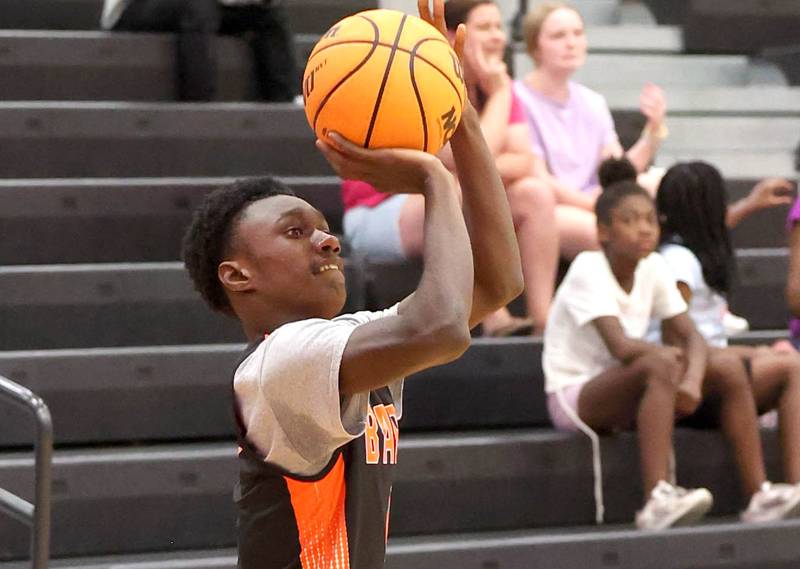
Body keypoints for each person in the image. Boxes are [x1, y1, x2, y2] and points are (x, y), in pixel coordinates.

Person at [181, 2, 523, 566]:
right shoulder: (280, 364)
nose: (328, 240)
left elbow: (500, 281)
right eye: (295, 232)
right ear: (238, 275)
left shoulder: (352, 342)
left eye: (325, 228)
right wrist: (434, 177)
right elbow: (443, 328)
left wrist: (457, 114)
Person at [542, 178, 800, 530]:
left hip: (628, 385)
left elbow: (690, 335)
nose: (644, 229)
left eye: (650, 219)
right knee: (662, 360)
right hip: (575, 395)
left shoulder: (653, 267)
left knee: (725, 367)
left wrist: (693, 380)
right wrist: (678, 364)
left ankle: (759, 495)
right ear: (603, 231)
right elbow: (621, 347)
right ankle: (656, 500)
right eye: (630, 220)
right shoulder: (588, 268)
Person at [343, 0, 557, 335]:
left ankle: (545, 322)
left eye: (499, 27)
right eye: (485, 28)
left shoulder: (498, 85)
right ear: (454, 35)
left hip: (437, 200)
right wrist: (499, 95)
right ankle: (494, 316)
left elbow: (523, 160)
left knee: (535, 194)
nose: (498, 37)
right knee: (454, 188)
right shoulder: (425, 78)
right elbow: (461, 159)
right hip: (380, 210)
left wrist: (497, 105)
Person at [652, 161, 800, 488]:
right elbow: (675, 339)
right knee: (791, 368)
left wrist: (749, 205)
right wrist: (743, 356)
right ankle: (790, 482)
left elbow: (713, 230)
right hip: (698, 380)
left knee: (777, 358)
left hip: (713, 367)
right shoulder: (678, 263)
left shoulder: (689, 250)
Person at [513, 1, 669, 255]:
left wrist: (654, 129)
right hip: (552, 208)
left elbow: (617, 170)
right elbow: (540, 178)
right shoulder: (518, 98)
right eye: (558, 36)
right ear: (535, 47)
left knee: (658, 183)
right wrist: (595, 205)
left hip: (595, 201)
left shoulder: (592, 101)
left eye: (577, 33)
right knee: (616, 234)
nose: (571, 42)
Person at [101, 0, 299, 102]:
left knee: (268, 14)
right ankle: (200, 105)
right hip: (133, 7)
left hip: (206, 7)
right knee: (197, 7)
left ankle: (286, 98)